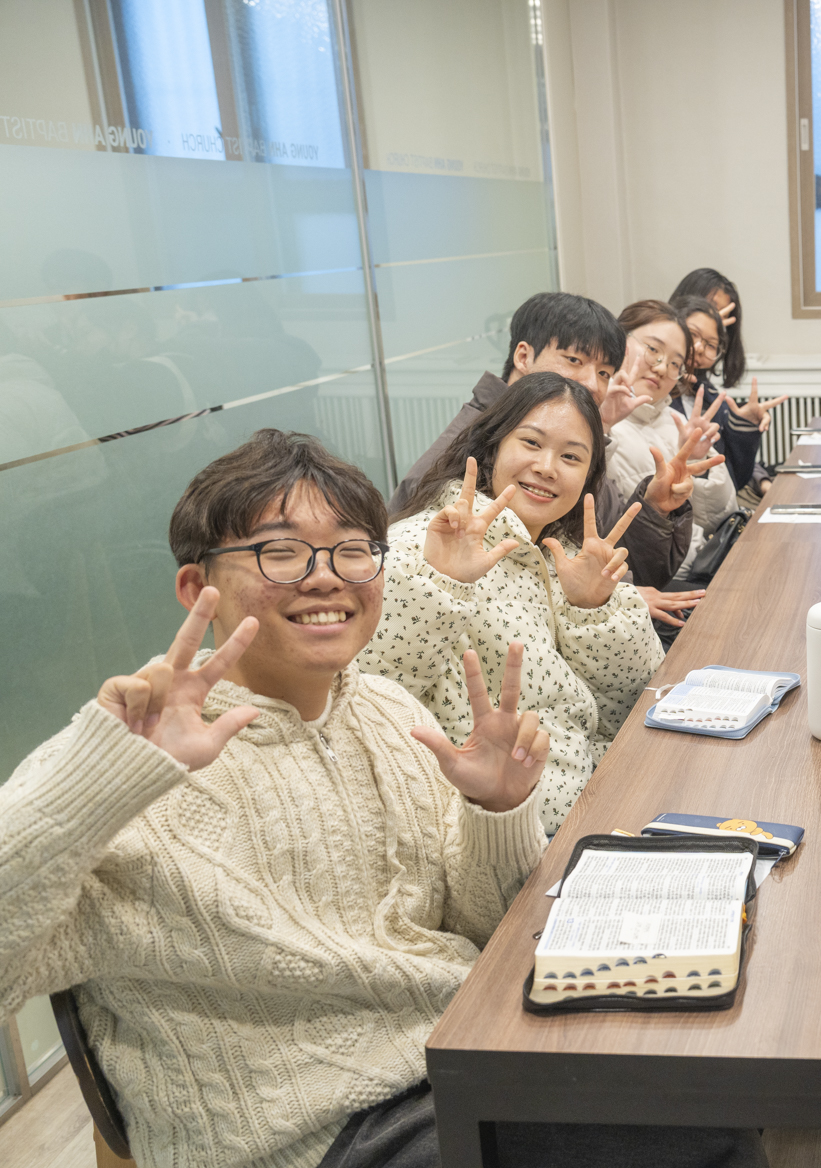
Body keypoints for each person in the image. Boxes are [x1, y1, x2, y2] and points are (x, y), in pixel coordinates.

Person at [0, 429, 765, 1168]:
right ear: (197, 588)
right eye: (281, 552)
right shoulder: (133, 755)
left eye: (353, 550)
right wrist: (107, 777)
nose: (325, 577)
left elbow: (481, 929)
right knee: (702, 1134)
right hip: (313, 1135)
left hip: (460, 1055)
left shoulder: (387, 709)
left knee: (713, 1081)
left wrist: (497, 813)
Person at [365, 373, 666, 835]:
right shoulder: (419, 548)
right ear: (492, 448)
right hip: (509, 834)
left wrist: (595, 610)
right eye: (531, 443)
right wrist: (438, 586)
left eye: (571, 456)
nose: (547, 467)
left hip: (600, 794)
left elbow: (639, 696)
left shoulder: (559, 553)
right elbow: (368, 695)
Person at [388, 291, 715, 618]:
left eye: (604, 373)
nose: (592, 384)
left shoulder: (579, 435)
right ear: (523, 356)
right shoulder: (470, 445)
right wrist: (616, 595)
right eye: (574, 360)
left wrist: (655, 508)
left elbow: (607, 547)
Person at [604, 300, 739, 584]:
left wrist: (695, 459)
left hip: (702, 564)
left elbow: (720, 515)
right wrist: (601, 428)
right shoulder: (599, 420)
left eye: (676, 363)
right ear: (619, 339)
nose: (663, 368)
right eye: (653, 350)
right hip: (649, 582)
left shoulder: (672, 419)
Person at [670, 269, 788, 499]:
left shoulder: (709, 394)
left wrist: (743, 426)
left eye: (712, 342)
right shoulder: (652, 386)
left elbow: (734, 476)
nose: (716, 319)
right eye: (710, 308)